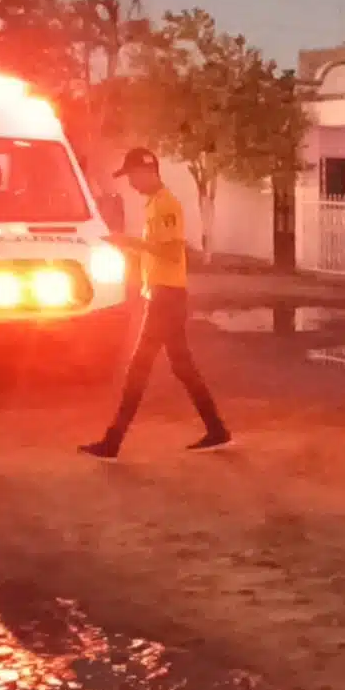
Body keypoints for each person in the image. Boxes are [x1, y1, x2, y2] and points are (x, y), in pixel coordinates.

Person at [81, 148, 231, 458]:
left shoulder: (166, 205)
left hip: (166, 297)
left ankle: (113, 441)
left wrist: (128, 242)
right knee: (182, 367)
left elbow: (173, 253)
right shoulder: (154, 204)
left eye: (132, 176)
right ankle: (216, 429)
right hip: (163, 294)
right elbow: (157, 250)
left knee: (139, 368)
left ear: (147, 171)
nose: (131, 184)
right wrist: (130, 248)